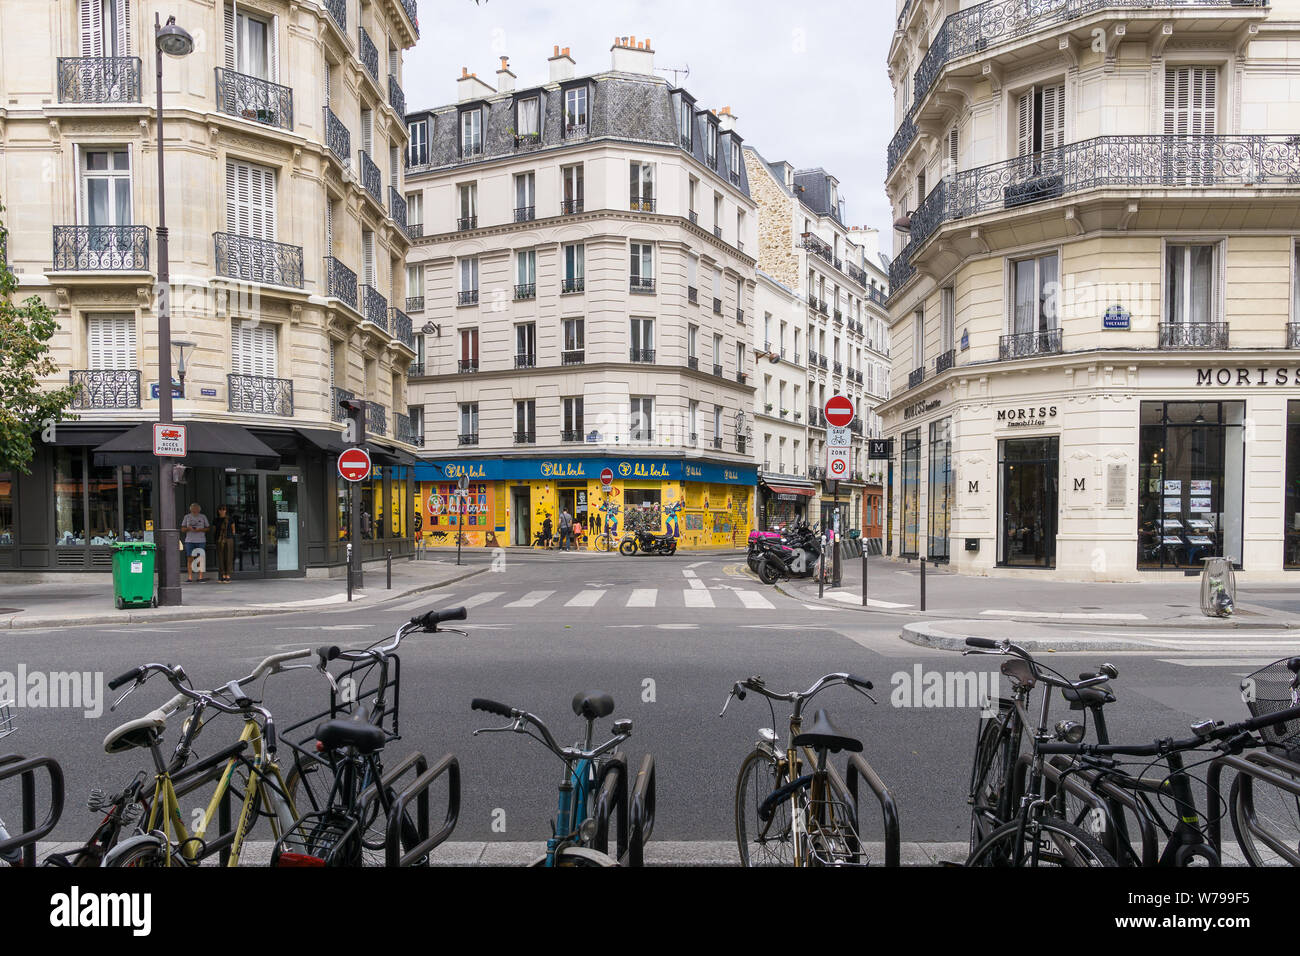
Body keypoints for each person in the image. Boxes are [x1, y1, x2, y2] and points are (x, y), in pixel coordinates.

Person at [180, 503, 210, 583]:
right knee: (190, 558)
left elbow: (208, 528)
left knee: (201, 559)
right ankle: (190, 577)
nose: (195, 510)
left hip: (201, 540)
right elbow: (182, 529)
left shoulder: (203, 517)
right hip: (189, 540)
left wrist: (200, 530)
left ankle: (200, 577)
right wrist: (188, 528)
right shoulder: (187, 517)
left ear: (199, 509)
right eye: (193, 508)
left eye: (196, 508)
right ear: (191, 509)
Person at [214, 505, 237, 583]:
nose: (222, 511)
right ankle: (222, 575)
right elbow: (214, 530)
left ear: (226, 510)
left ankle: (228, 575)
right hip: (219, 540)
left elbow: (233, 530)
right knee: (221, 557)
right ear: (218, 511)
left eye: (223, 509)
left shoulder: (230, 519)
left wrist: (229, 537)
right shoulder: (216, 520)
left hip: (228, 539)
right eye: (220, 509)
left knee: (228, 557)